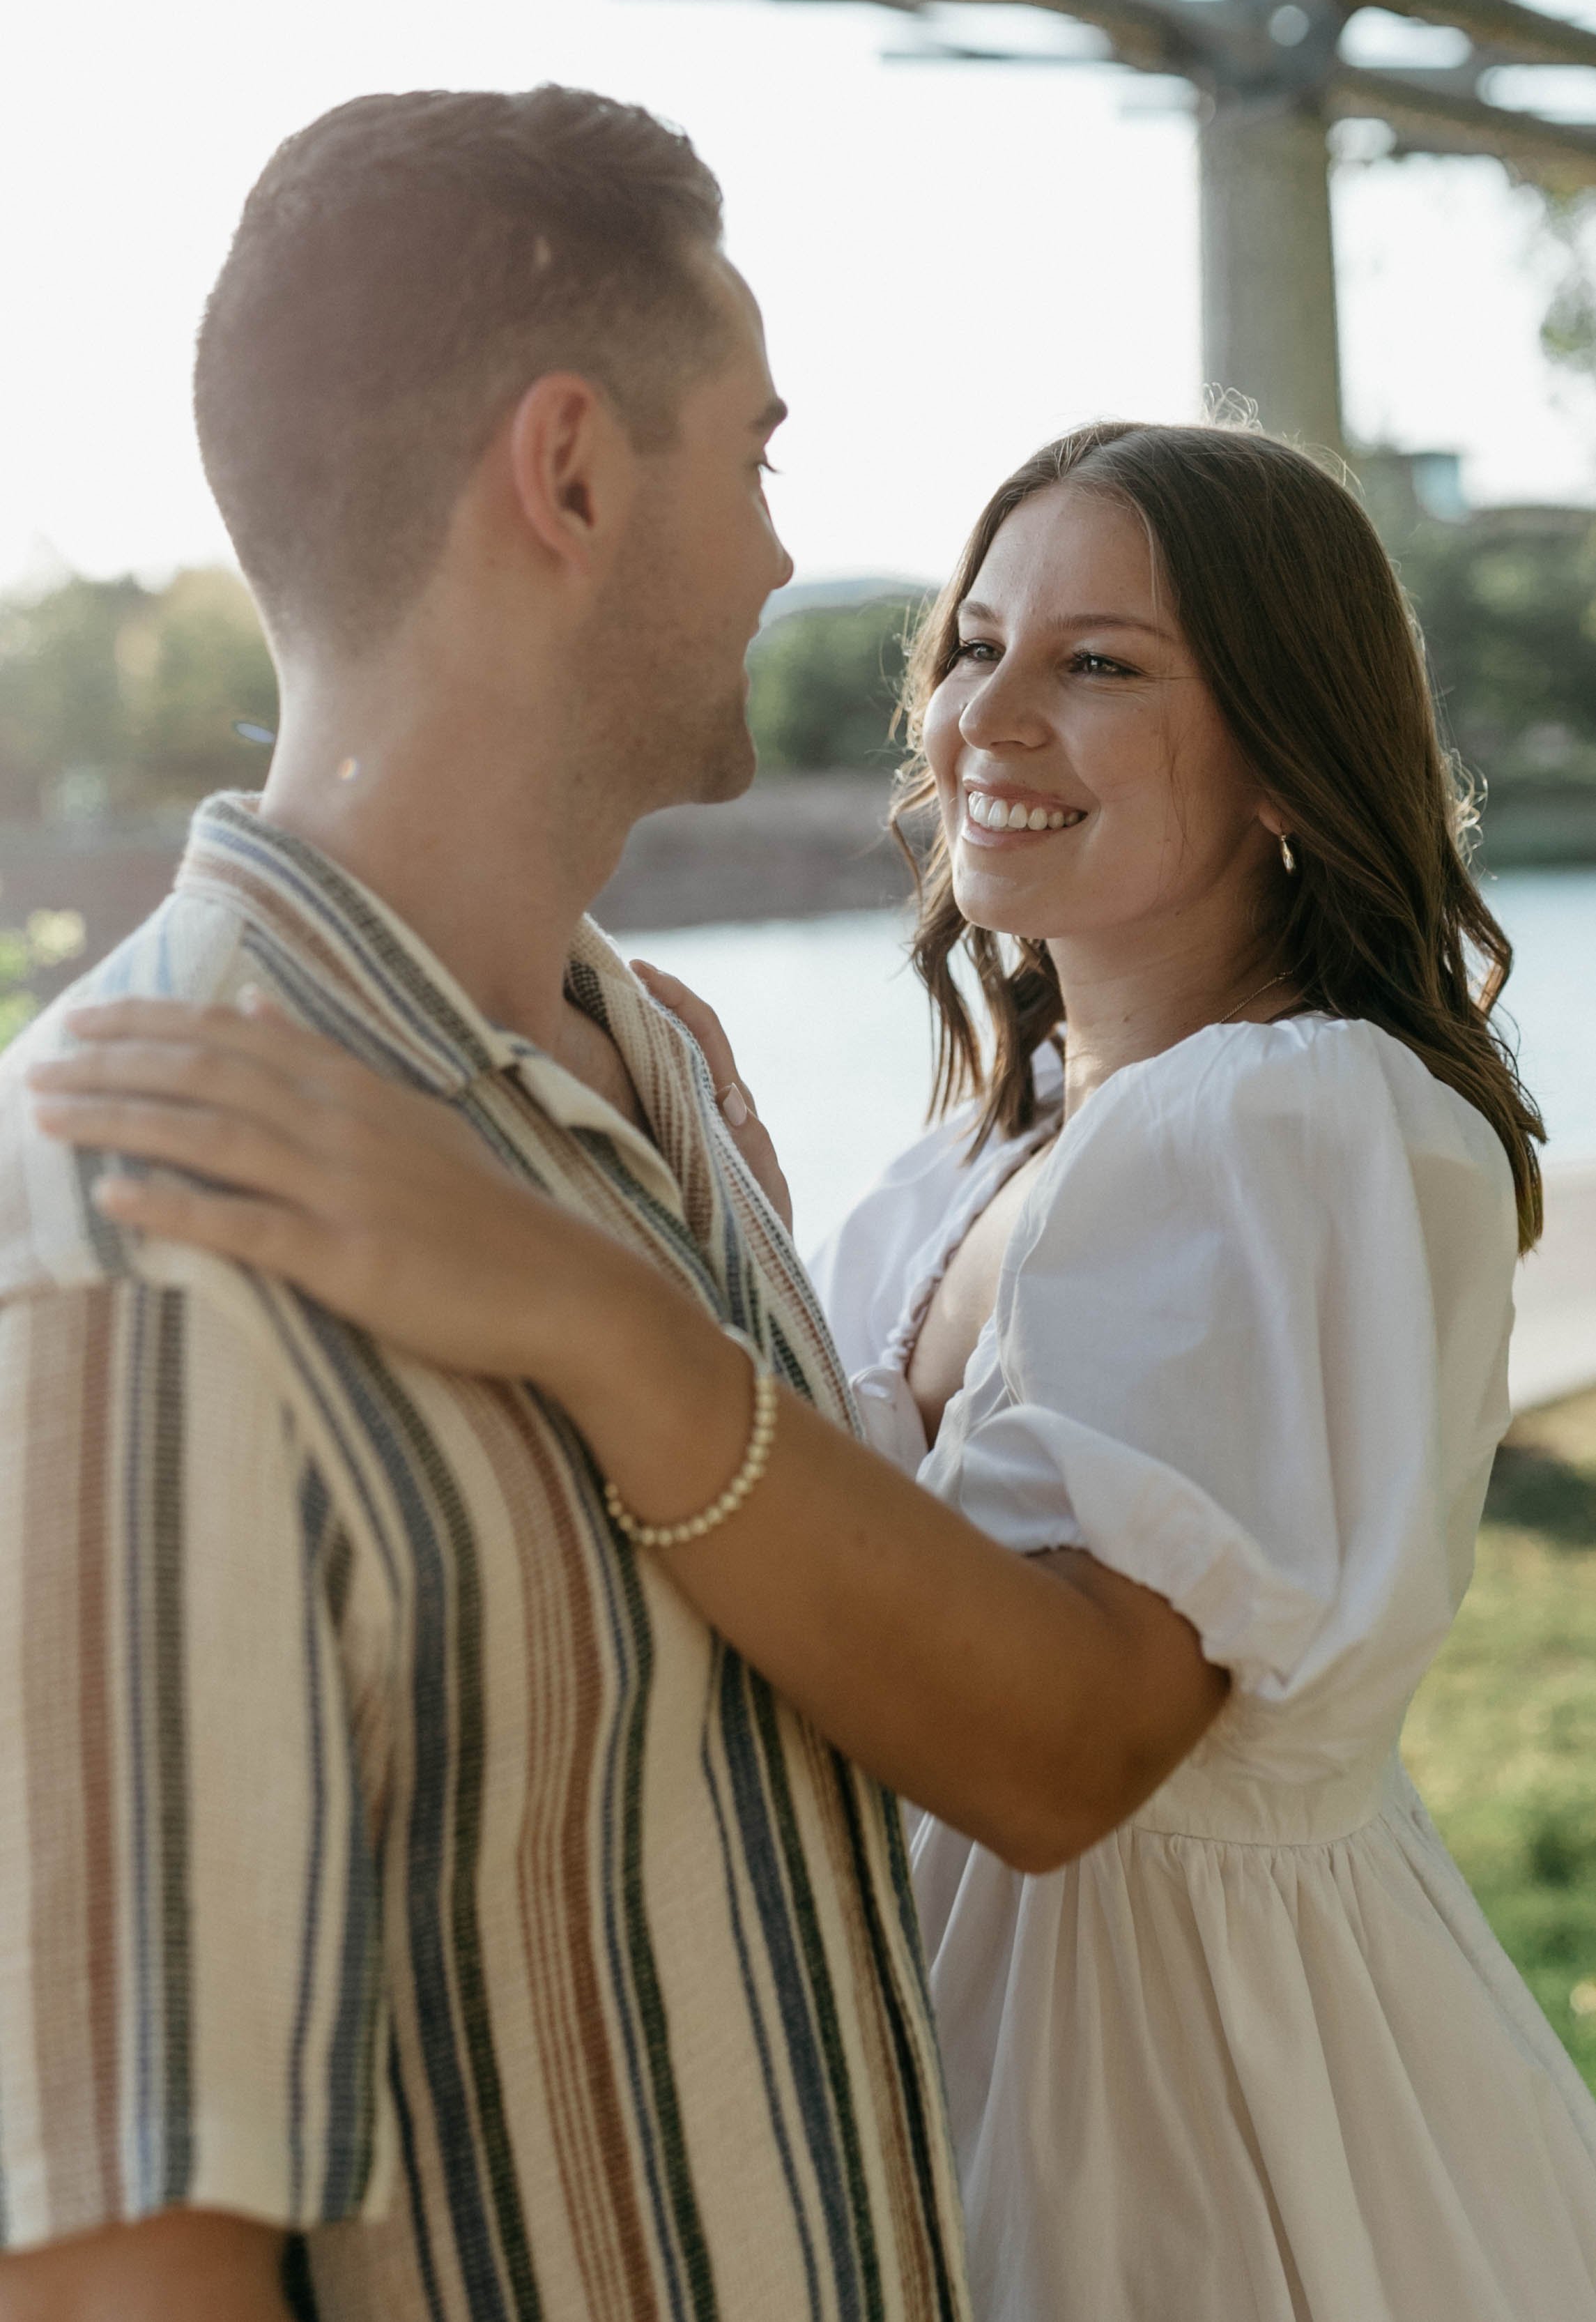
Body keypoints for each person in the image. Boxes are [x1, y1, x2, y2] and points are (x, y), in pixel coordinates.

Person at [39, 416, 1596, 2321]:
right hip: (946, 2061)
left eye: (1094, 662)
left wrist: (579, 1304)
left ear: (1283, 747)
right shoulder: (963, 1165)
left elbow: (1067, 1744)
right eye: (970, 644)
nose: (984, 718)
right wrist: (703, 1223)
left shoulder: (1302, 1120)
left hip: (1191, 2115)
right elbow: (859, 1578)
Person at [0, 85, 990, 2322]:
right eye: (752, 454)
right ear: (566, 471)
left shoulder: (648, 1083)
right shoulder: (131, 1231)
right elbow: (116, 2278)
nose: (772, 555)